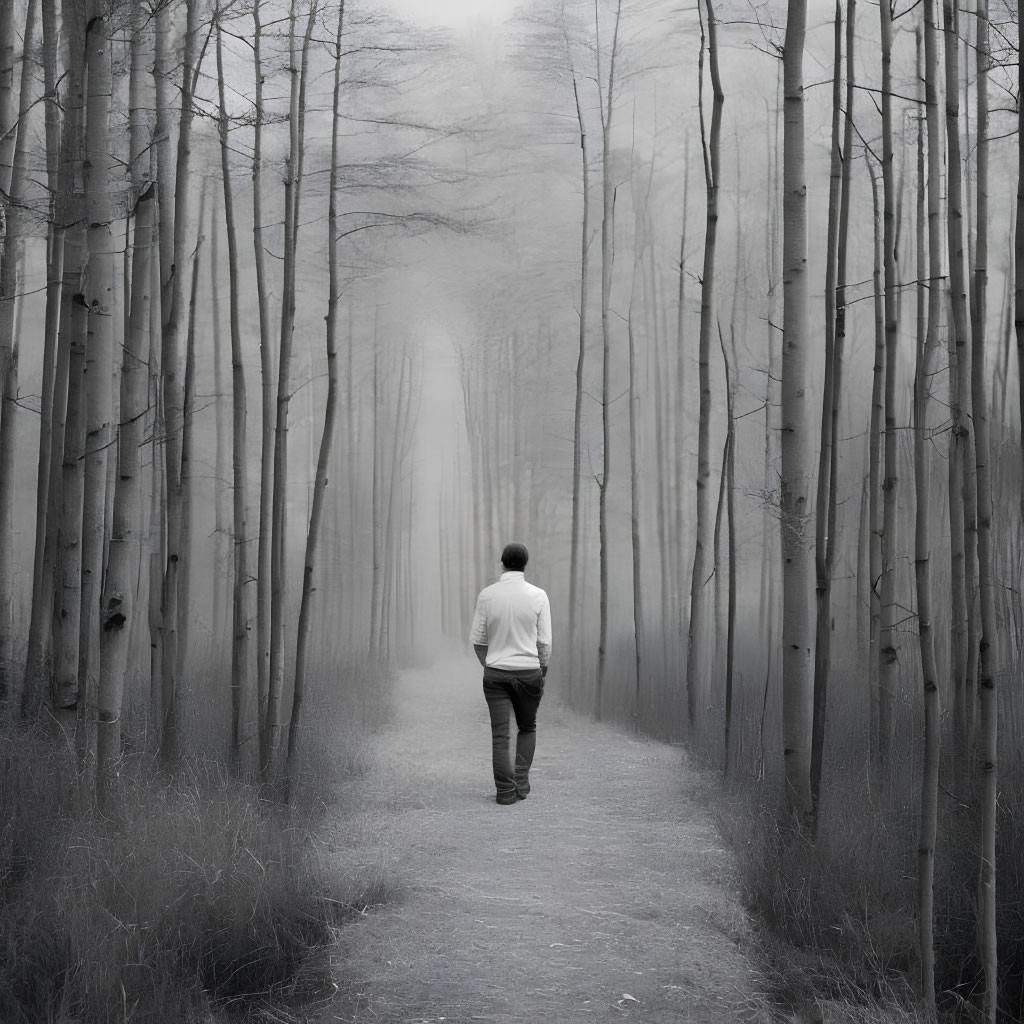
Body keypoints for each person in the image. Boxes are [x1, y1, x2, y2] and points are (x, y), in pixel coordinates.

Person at [469, 542, 552, 805]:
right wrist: (542, 669)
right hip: (529, 673)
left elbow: (478, 641)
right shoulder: (538, 595)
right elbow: (544, 642)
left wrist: (490, 665)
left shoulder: (487, 595)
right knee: (527, 727)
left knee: (500, 735)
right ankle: (522, 781)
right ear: (525, 564)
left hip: (496, 674)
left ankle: (505, 792)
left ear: (502, 563)